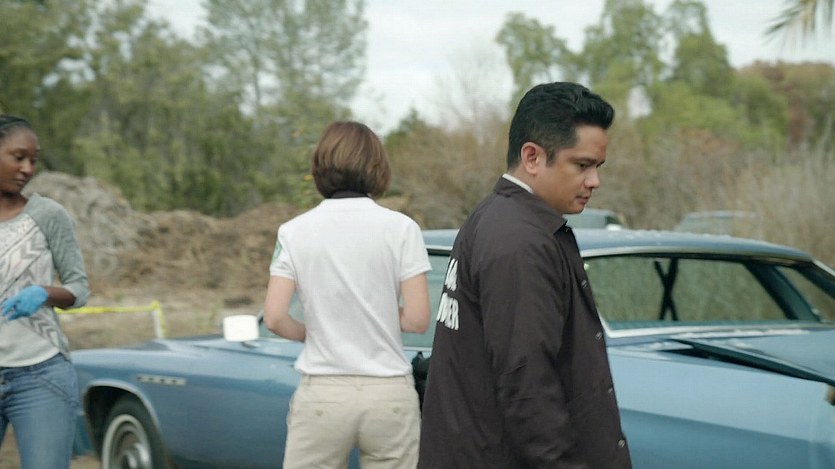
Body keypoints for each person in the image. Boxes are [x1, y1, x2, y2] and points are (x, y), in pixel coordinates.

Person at [418, 83, 632, 468]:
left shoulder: (499, 219)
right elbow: (528, 386)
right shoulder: (518, 241)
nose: (594, 181)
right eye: (581, 165)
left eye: (597, 167)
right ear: (532, 156)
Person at [263, 121, 431, 469]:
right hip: (389, 394)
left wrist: (313, 331)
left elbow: (275, 318)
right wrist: (379, 312)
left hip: (324, 394)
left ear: (320, 166)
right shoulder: (403, 229)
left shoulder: (293, 232)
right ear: (377, 167)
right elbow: (417, 319)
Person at [0, 114, 90, 469]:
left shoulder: (48, 215)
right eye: (18, 157)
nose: (27, 168)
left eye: (33, 160)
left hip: (40, 376)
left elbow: (79, 288)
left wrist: (44, 292)